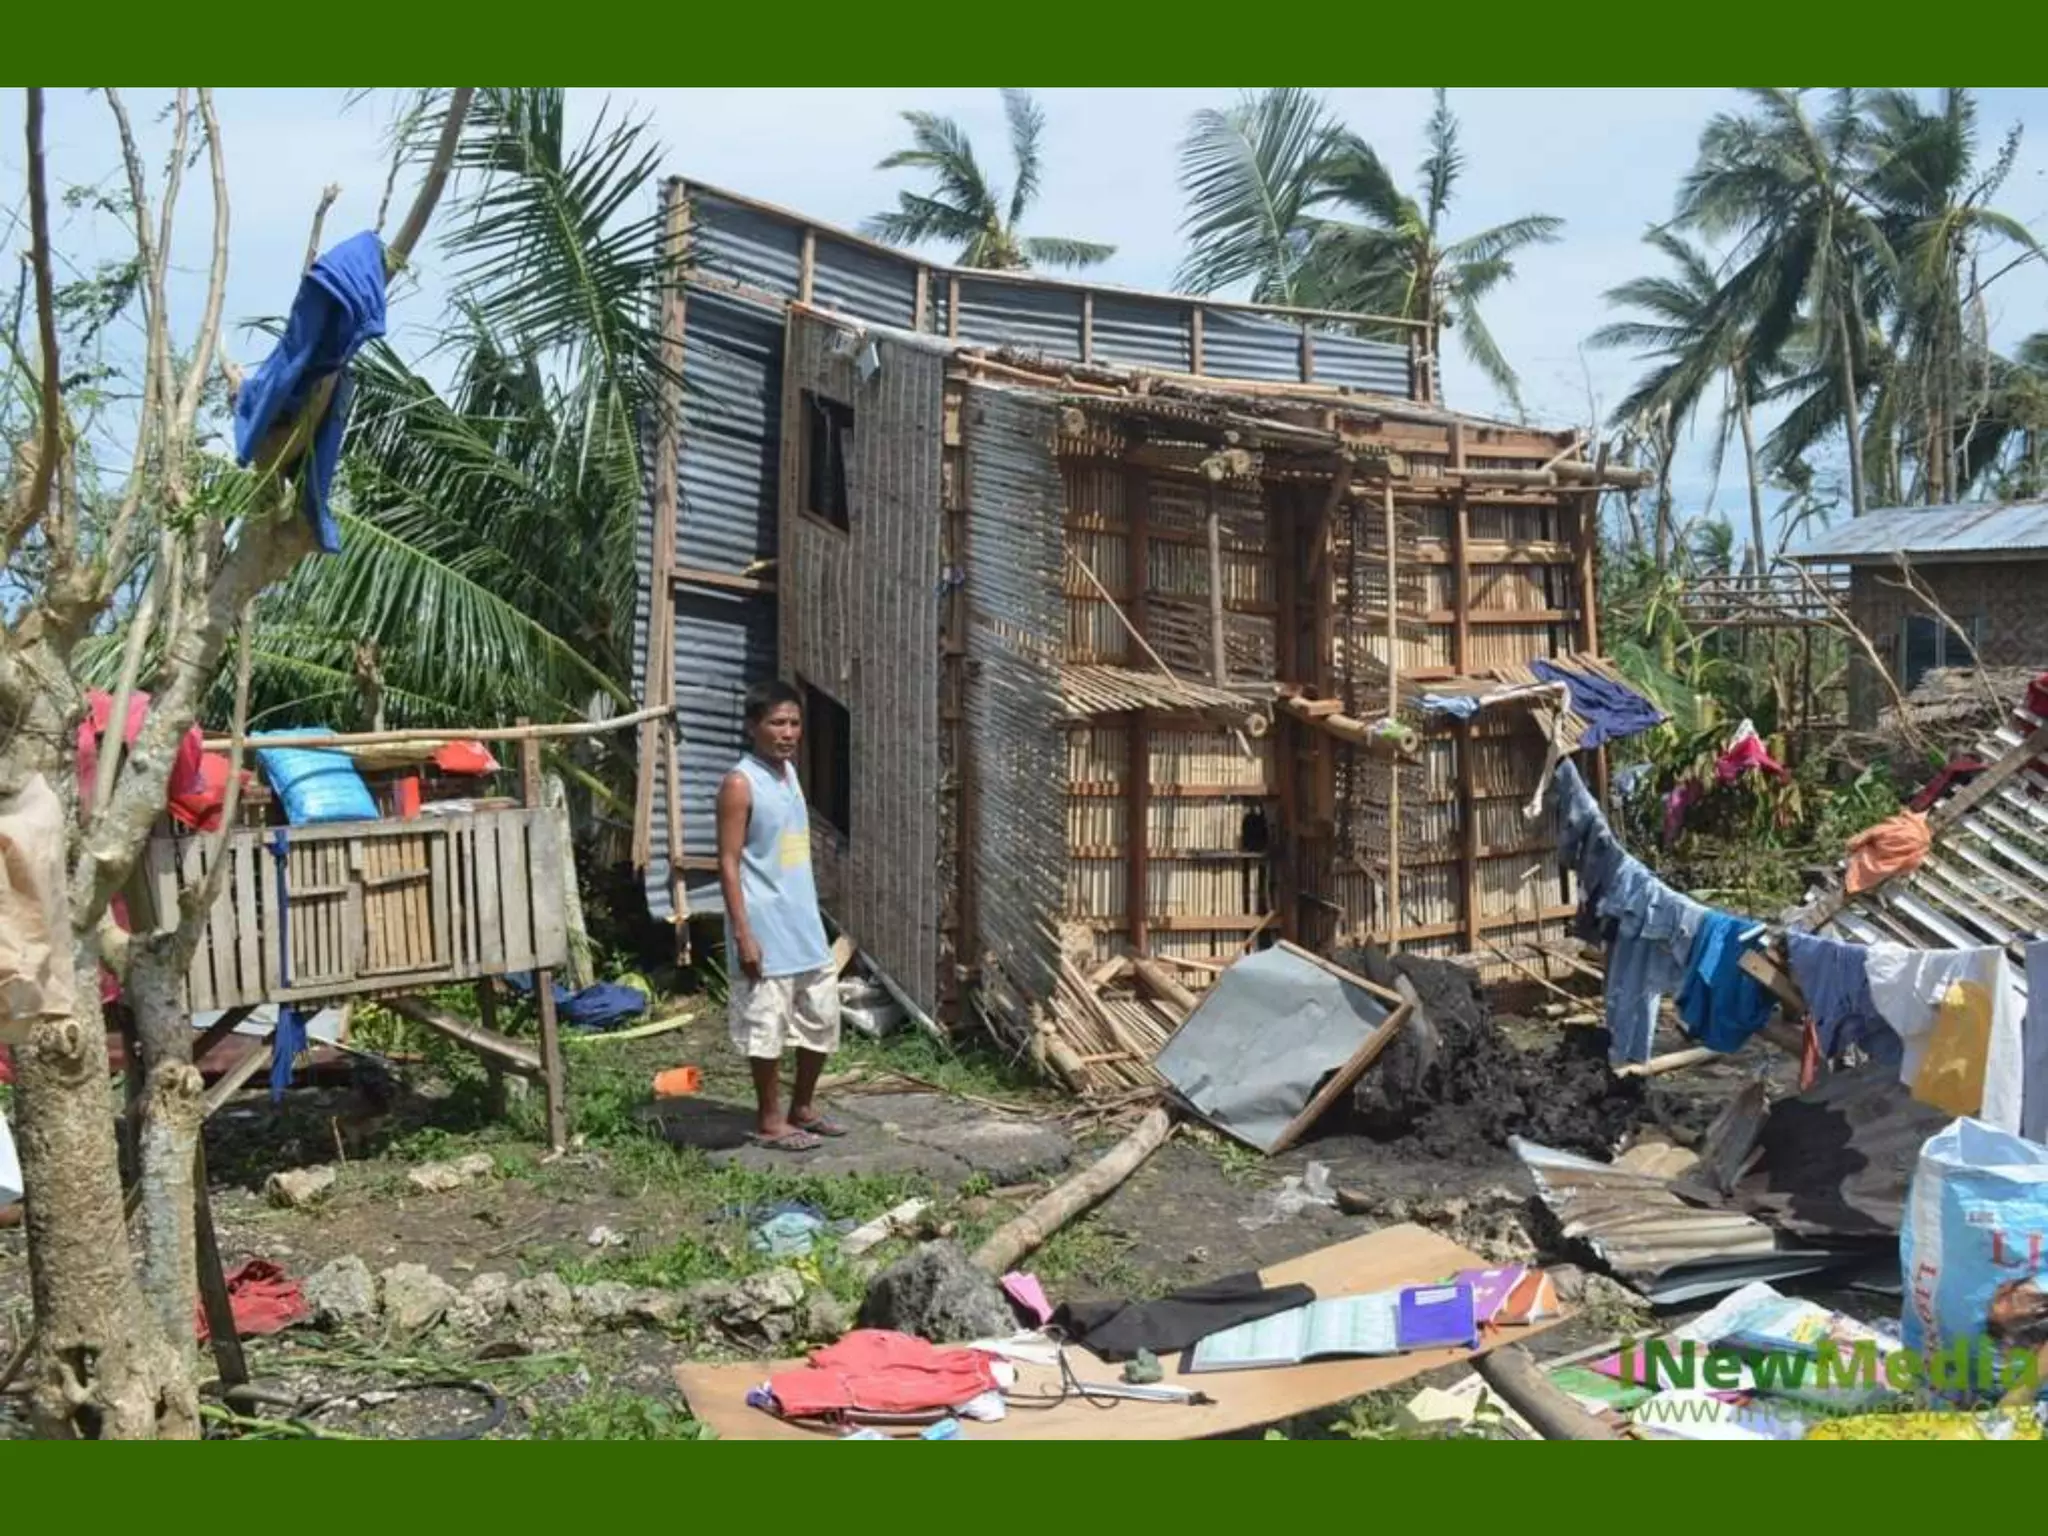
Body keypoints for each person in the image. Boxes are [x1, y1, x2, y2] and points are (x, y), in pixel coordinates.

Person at [716, 679, 845, 1152]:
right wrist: (743, 934)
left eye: (794, 723)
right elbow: (728, 861)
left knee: (821, 1018)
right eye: (777, 723)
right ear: (753, 726)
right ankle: (770, 1120)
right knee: (766, 1028)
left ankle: (803, 1107)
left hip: (803, 923)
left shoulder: (789, 775)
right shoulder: (739, 782)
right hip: (763, 925)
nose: (788, 733)